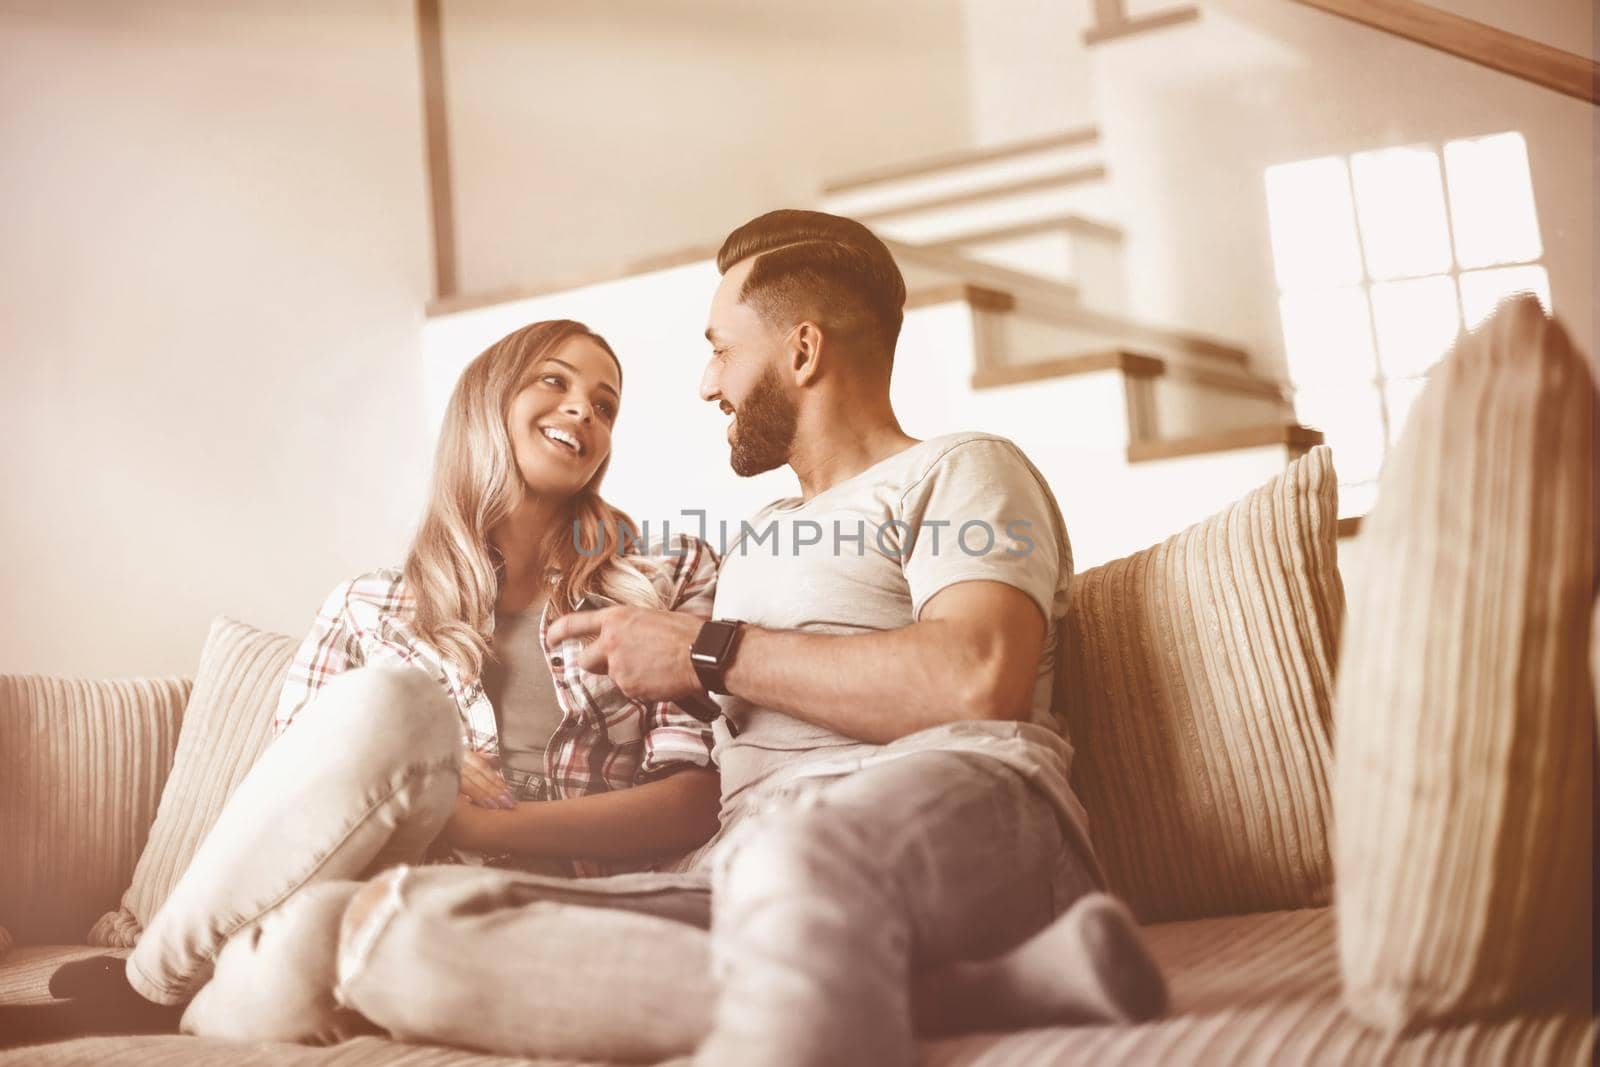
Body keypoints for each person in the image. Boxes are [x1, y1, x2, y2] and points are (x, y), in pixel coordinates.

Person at [177, 210, 1166, 1065]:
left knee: (797, 854)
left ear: (804, 351)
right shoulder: (751, 545)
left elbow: (975, 676)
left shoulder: (963, 470)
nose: (705, 384)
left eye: (719, 346)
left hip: (954, 810)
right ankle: (967, 990)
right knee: (386, 930)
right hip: (738, 867)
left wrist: (705, 649)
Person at [24, 318, 722, 1045]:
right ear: (486, 401)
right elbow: (295, 809)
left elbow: (694, 796)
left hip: (515, 909)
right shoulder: (367, 606)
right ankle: (156, 986)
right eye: (555, 380)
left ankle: (161, 1000)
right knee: (396, 703)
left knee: (291, 960)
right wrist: (431, 762)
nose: (584, 409)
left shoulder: (664, 577)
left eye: (605, 404)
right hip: (367, 883)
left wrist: (484, 821)